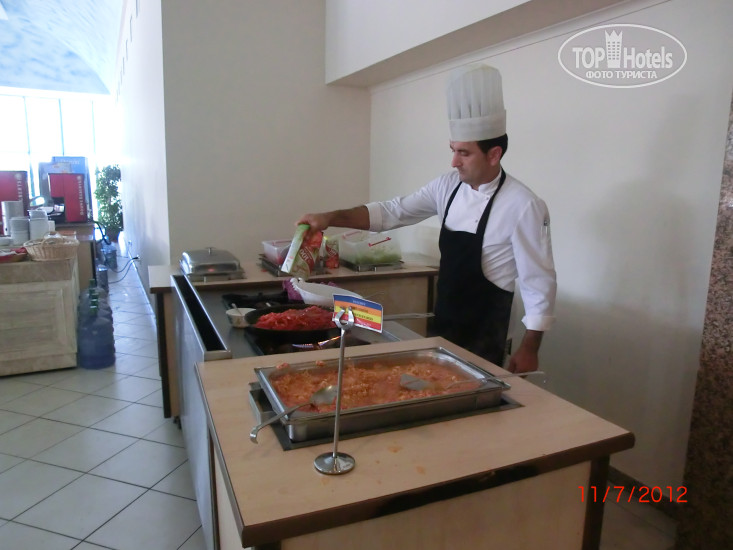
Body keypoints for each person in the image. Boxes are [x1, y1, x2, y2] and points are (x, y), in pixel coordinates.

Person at [299, 64, 556, 373]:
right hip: (444, 329)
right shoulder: (447, 186)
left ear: (494, 154)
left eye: (464, 153)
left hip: (488, 337)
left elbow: (538, 282)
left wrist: (530, 348)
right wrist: (331, 216)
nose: (454, 161)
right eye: (453, 150)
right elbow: (392, 211)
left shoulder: (524, 205)